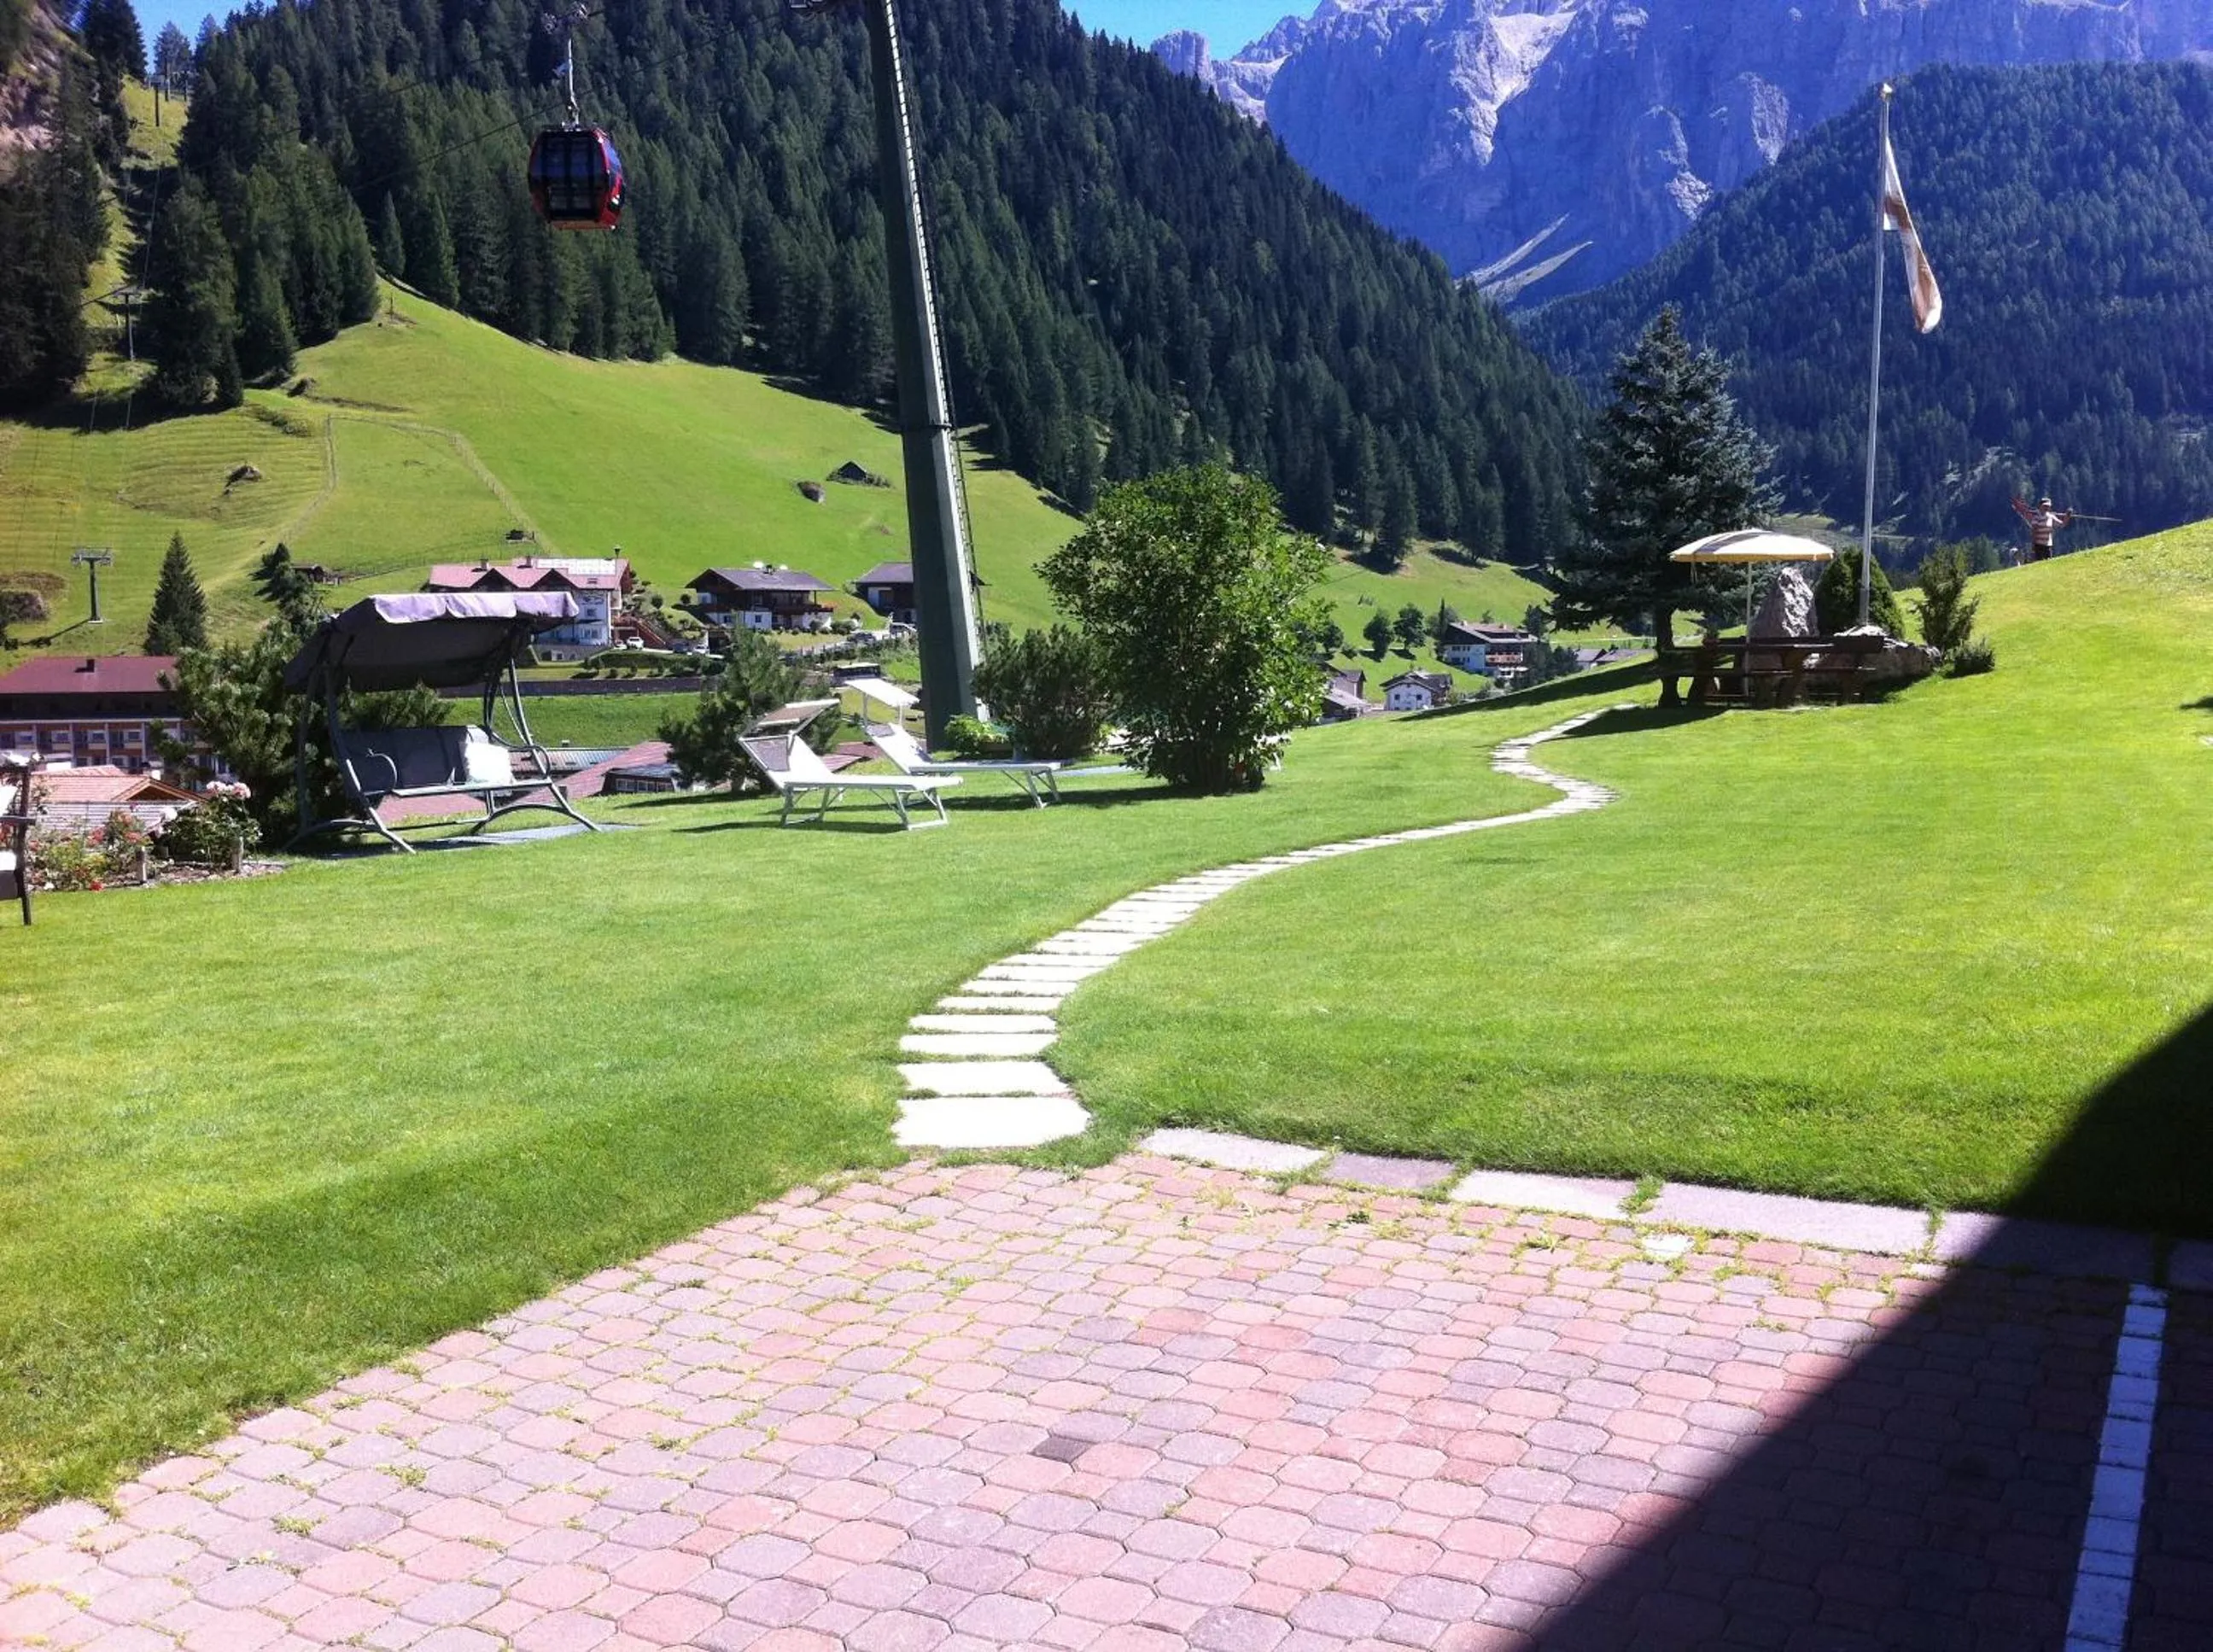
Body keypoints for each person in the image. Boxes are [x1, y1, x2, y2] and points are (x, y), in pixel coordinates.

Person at [2012, 495, 2073, 563]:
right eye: (2045, 506)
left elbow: (2062, 524)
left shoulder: (2051, 517)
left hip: (2048, 545)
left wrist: (2067, 516)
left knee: (2048, 563)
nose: (2046, 508)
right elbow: (2034, 532)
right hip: (2039, 545)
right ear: (2040, 506)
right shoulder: (2036, 518)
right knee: (2039, 562)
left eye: (2048, 506)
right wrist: (2033, 545)